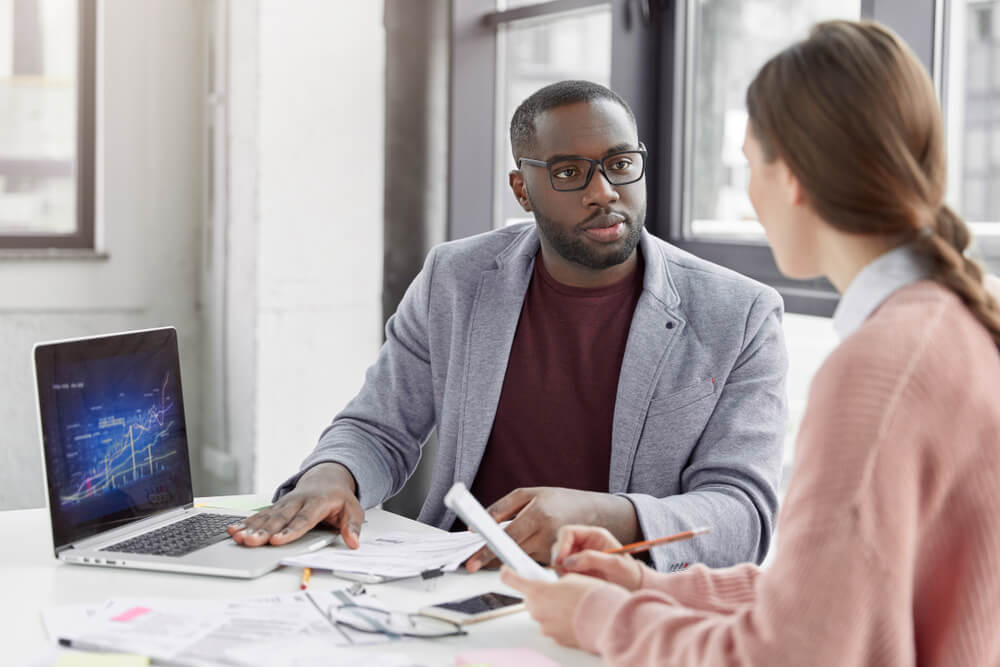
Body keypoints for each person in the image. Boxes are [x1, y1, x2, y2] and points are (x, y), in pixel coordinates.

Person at [500, 20, 1000, 666]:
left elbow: (792, 651)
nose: (750, 194)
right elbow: (831, 589)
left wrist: (603, 617)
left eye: (749, 162)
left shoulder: (878, 370)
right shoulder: (949, 327)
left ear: (790, 175)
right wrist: (653, 587)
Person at [229, 80, 789, 573]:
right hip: (455, 578)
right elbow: (379, 427)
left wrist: (605, 515)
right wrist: (333, 476)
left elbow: (743, 515)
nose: (604, 192)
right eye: (570, 172)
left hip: (625, 601)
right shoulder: (457, 277)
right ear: (523, 189)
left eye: (619, 164)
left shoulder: (739, 314)